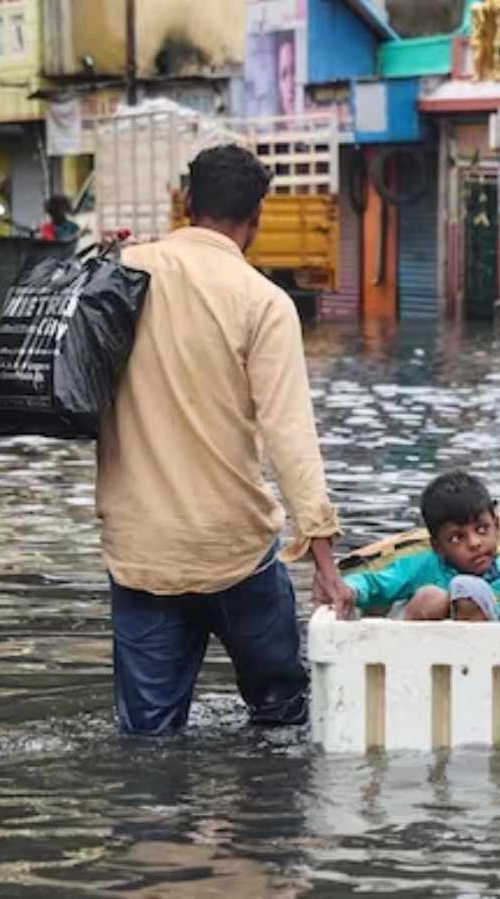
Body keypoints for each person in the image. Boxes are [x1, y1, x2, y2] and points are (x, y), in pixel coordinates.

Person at [98, 143, 344, 736]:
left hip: (142, 553)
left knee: (147, 745)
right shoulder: (262, 302)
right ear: (255, 218)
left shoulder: (119, 276)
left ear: (186, 203)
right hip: (235, 553)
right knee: (283, 722)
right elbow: (291, 438)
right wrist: (324, 561)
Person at [342, 471, 500, 622]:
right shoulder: (422, 567)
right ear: (438, 547)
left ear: (497, 526)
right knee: (431, 598)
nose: (475, 543)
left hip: (496, 674)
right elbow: (376, 584)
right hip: (421, 673)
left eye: (482, 529)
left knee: (467, 591)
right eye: (457, 538)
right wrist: (351, 590)